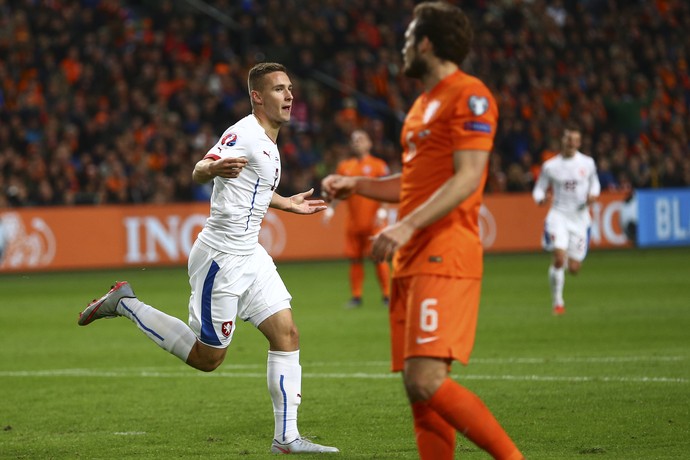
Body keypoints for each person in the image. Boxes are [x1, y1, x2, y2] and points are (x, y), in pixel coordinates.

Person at [77, 62, 339, 455]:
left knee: (287, 334)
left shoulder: (268, 139)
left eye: (290, 89)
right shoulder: (244, 133)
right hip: (221, 257)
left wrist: (287, 204)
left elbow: (254, 189)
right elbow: (201, 169)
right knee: (208, 358)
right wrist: (213, 167)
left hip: (251, 253)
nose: (289, 96)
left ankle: (286, 439)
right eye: (279, 90)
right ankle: (125, 303)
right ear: (257, 96)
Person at [321, 3, 523, 459]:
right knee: (418, 390)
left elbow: (470, 175)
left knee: (425, 379)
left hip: (444, 250)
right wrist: (360, 185)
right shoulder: (420, 106)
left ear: (427, 42)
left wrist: (409, 224)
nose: (404, 46)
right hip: (411, 260)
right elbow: (411, 184)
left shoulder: (470, 95)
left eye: (410, 37)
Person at [532, 123, 601, 315]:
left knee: (574, 268)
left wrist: (593, 195)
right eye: (567, 138)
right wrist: (540, 199)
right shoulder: (550, 166)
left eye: (574, 139)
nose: (570, 142)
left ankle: (571, 257)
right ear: (562, 140)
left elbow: (595, 184)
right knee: (559, 258)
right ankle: (558, 302)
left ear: (579, 142)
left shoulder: (587, 163)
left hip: (579, 218)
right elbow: (539, 188)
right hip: (558, 215)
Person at [324, 129, 391, 308]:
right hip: (353, 222)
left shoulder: (378, 165)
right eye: (354, 140)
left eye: (360, 139)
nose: (356, 142)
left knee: (379, 257)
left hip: (374, 221)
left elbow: (386, 190)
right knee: (354, 259)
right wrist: (331, 208)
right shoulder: (345, 167)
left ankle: (387, 295)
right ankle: (356, 296)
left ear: (369, 143)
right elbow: (339, 192)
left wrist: (383, 210)